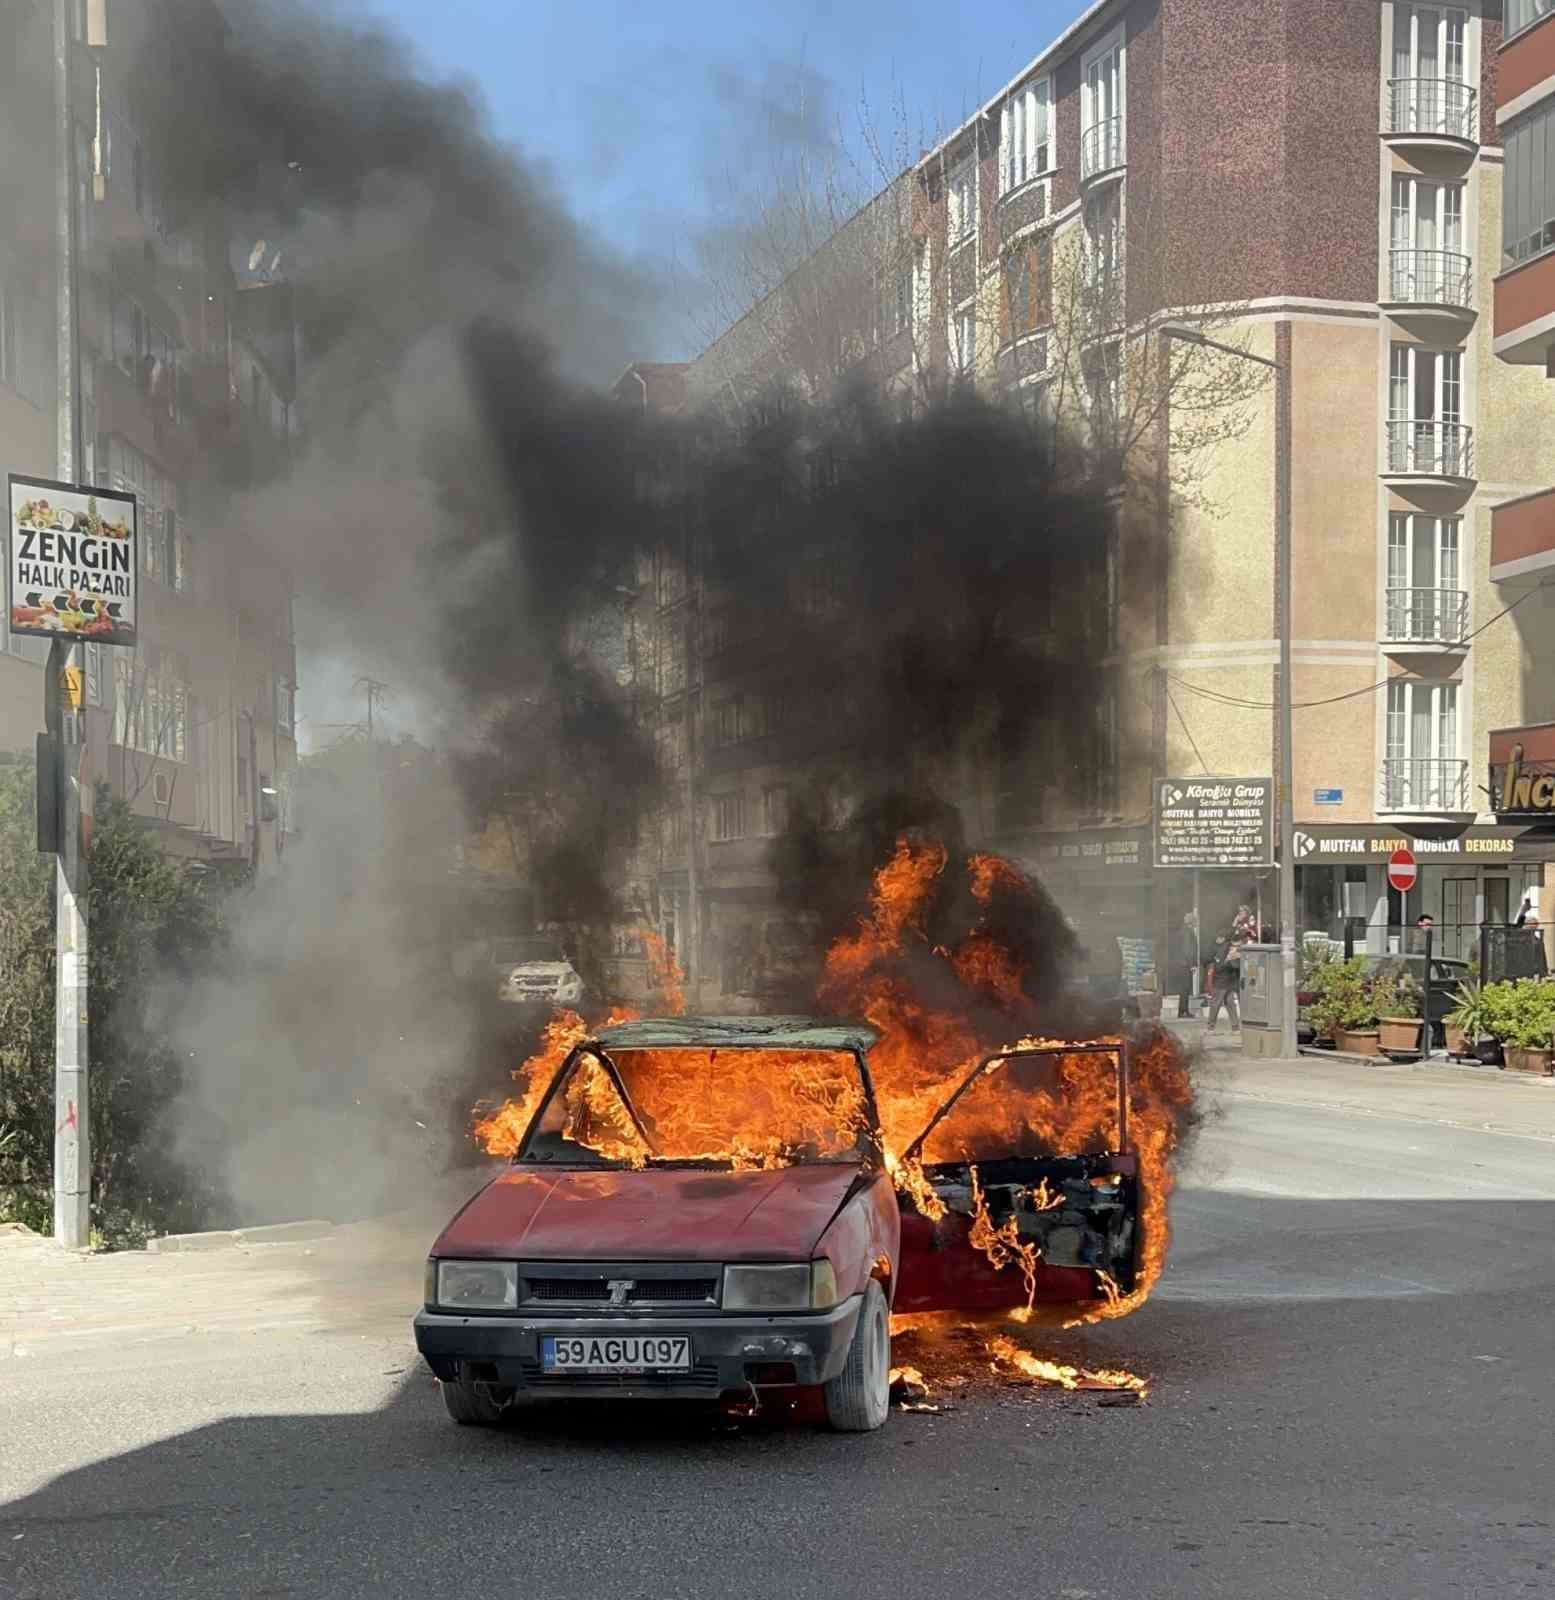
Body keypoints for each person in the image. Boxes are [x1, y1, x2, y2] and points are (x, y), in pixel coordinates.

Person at [1205, 926, 1242, 1033]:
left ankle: (1234, 1027)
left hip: (1229, 981)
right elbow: (1219, 966)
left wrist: (1235, 960)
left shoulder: (1234, 950)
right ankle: (1211, 1027)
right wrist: (1229, 961)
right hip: (1221, 980)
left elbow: (1237, 967)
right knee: (1217, 1003)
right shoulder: (1224, 950)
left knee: (1229, 1003)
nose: (1237, 947)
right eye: (1236, 945)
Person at [1176, 912, 1200, 1014]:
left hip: (1183, 963)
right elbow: (1188, 950)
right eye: (1195, 921)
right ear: (1192, 922)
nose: (1197, 923)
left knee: (1184, 988)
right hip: (1185, 964)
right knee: (1185, 988)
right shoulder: (1187, 932)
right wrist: (1192, 965)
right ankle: (1183, 1011)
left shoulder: (1183, 931)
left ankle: (1183, 1010)